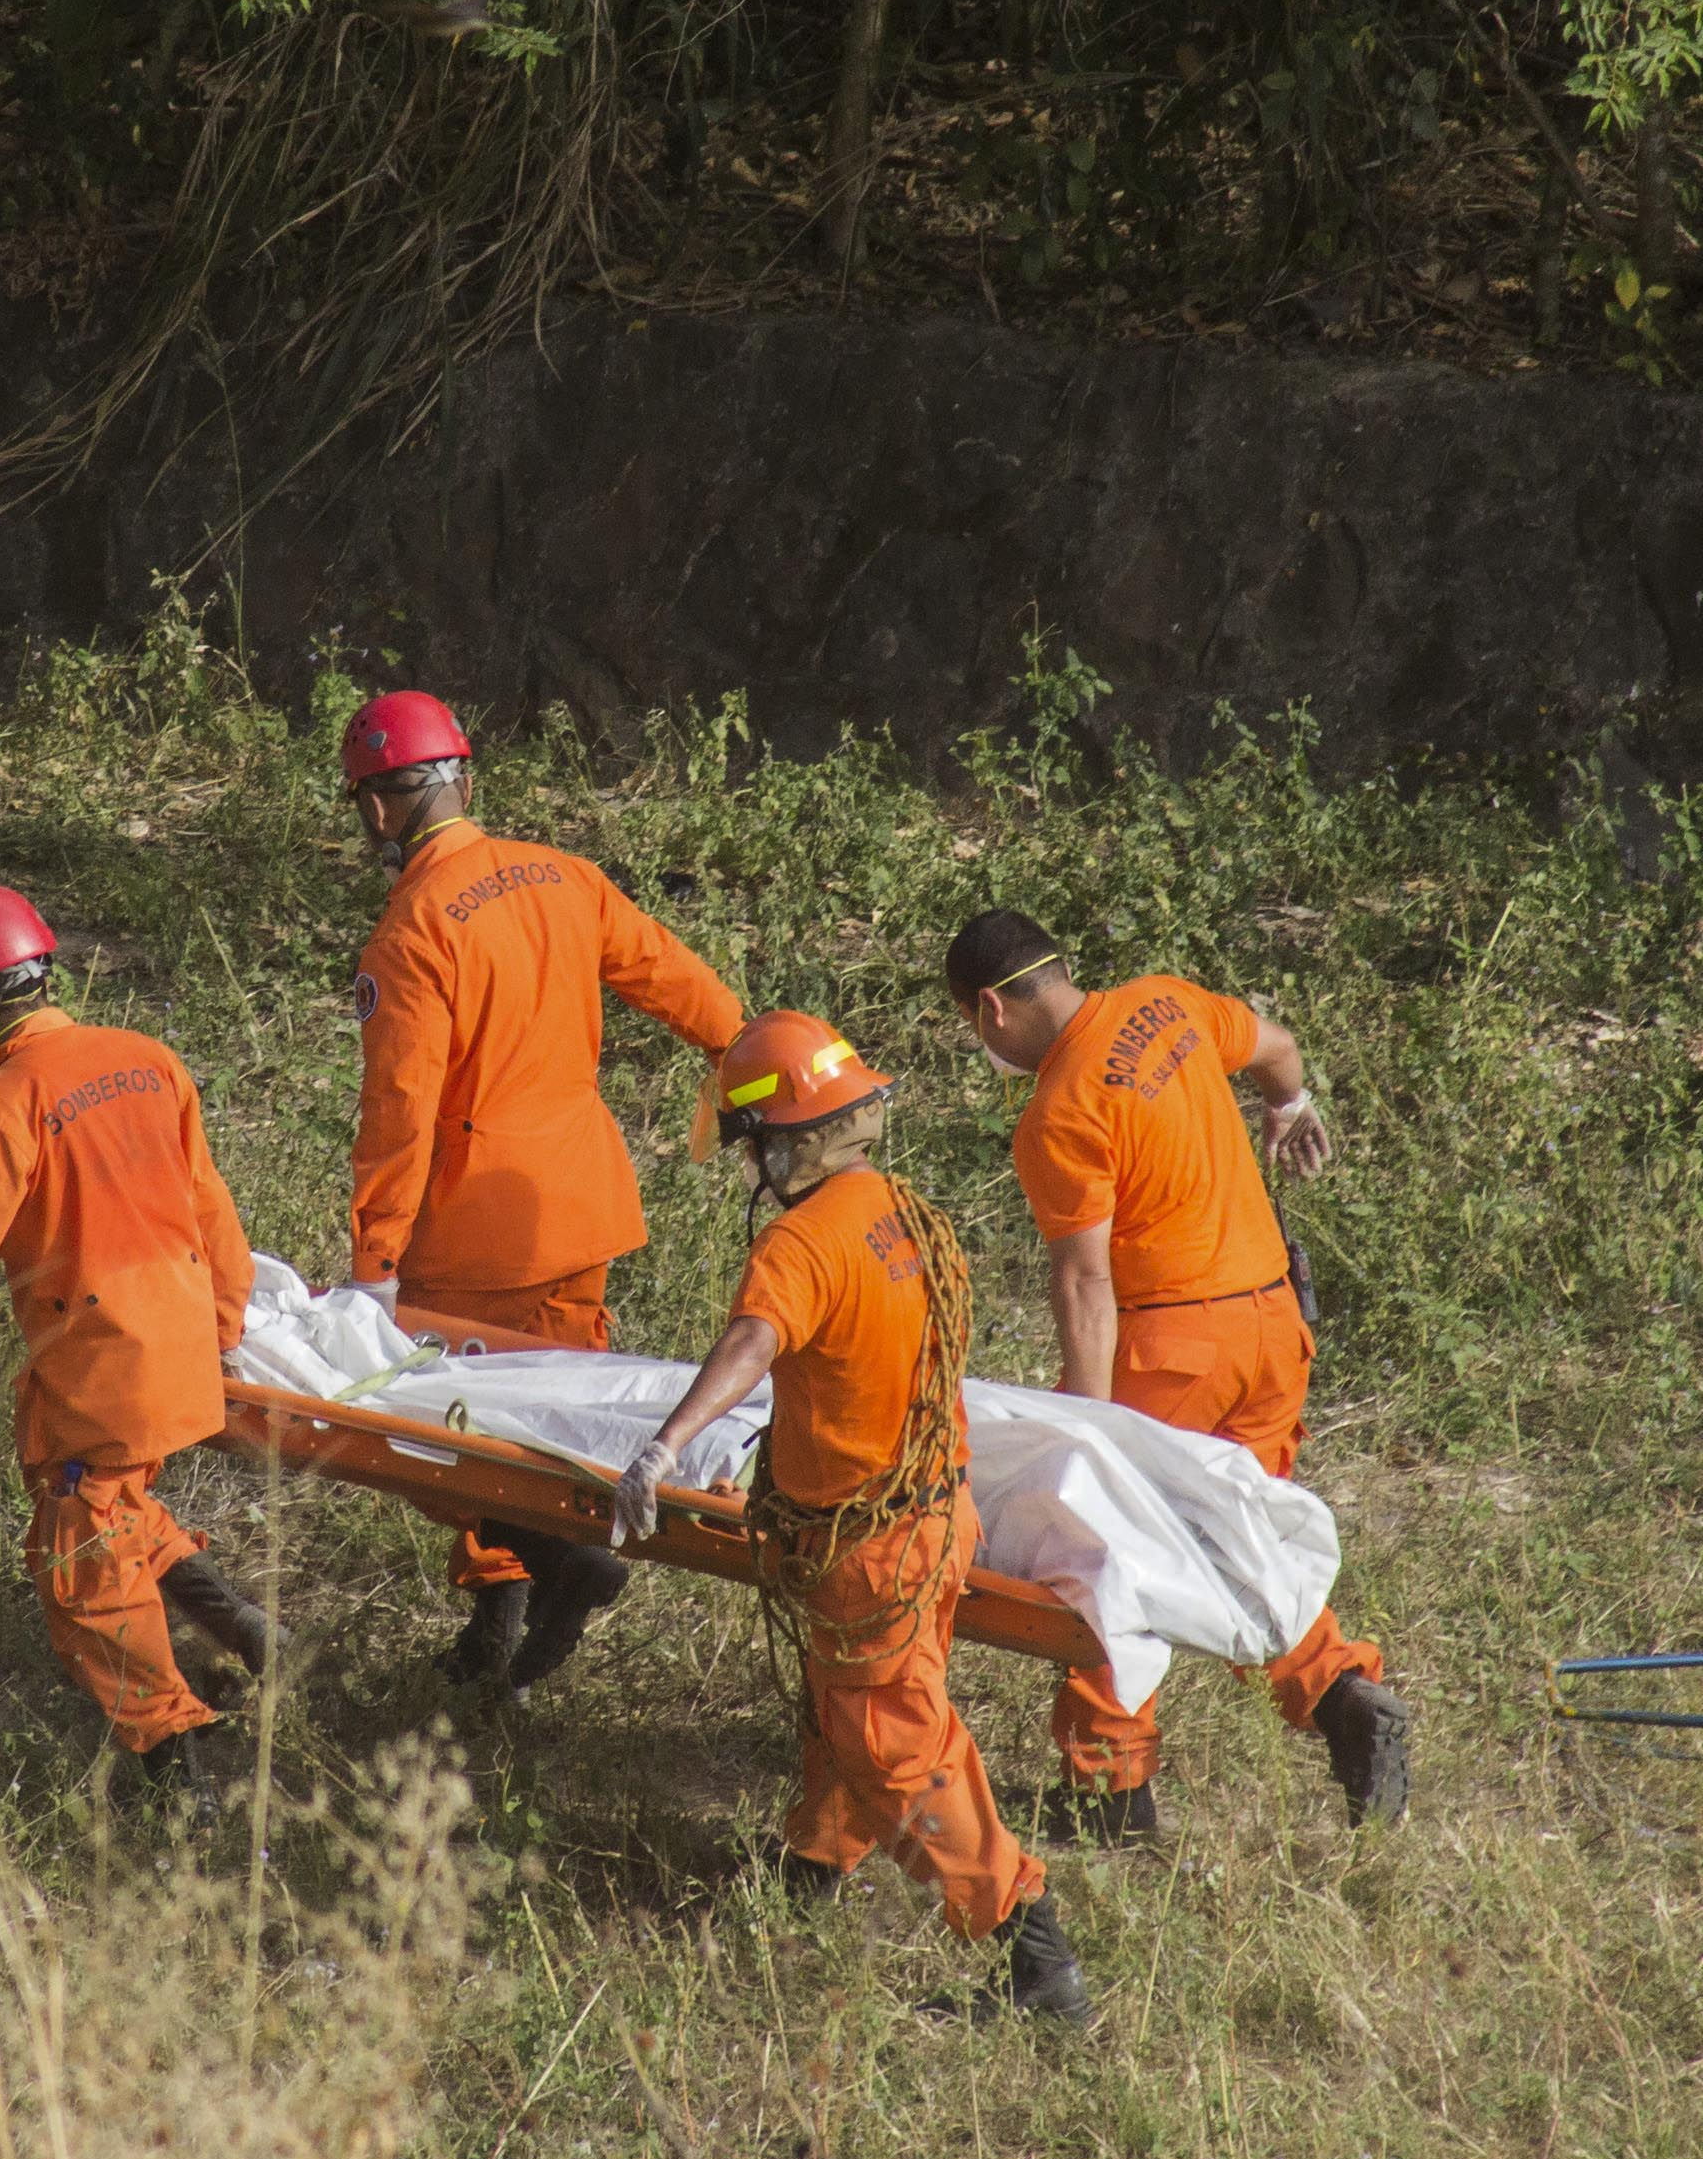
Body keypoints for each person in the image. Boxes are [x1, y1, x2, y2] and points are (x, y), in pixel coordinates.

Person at [611, 1011, 1090, 2023]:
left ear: (784, 1141)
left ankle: (1030, 1952)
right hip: (929, 1517)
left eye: (752, 1145)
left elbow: (751, 1344)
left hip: (870, 1548)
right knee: (846, 1712)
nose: (747, 1166)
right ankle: (811, 1869)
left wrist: (662, 1446)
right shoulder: (905, 1212)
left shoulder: (798, 1245)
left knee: (891, 1743)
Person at [944, 909, 1409, 1837]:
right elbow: (1279, 1049)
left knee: (1107, 1554)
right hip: (1274, 1329)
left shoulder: (1059, 1114)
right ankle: (1342, 1693)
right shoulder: (1168, 1004)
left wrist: (1087, 1434)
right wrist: (1291, 1108)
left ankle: (1108, 1795)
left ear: (990, 1009)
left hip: (1176, 1355)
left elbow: (1084, 1279)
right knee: (1243, 1541)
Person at [335, 689, 746, 1696]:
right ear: (465, 780)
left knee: (438, 1439)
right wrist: (760, 1069)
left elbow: (400, 1112)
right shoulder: (564, 876)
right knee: (561, 1423)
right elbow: (683, 984)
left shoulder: (413, 932)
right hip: (581, 1209)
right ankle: (498, 1631)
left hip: (477, 1237)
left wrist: (376, 1269)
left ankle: (567, 1566)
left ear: (381, 809)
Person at [0, 884, 273, 1826]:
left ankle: (177, 1760)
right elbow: (216, 1216)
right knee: (114, 1505)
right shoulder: (148, 1061)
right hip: (184, 1349)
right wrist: (223, 1326)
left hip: (103, 1368)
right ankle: (246, 1626)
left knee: (77, 1563)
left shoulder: (5, 1106)